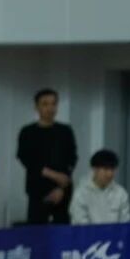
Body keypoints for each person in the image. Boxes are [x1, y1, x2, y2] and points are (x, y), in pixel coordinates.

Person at [17, 89, 78, 225]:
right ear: (36, 107)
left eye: (53, 104)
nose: (50, 108)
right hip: (37, 190)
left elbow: (72, 158)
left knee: (62, 230)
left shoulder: (65, 131)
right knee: (36, 231)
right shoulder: (27, 132)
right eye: (45, 104)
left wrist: (61, 186)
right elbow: (25, 159)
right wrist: (51, 174)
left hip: (62, 190)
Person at [69, 149, 130, 225]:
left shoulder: (121, 193)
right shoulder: (81, 193)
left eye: (112, 169)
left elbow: (125, 223)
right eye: (106, 169)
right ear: (94, 169)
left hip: (115, 233)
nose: (109, 174)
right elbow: (81, 225)